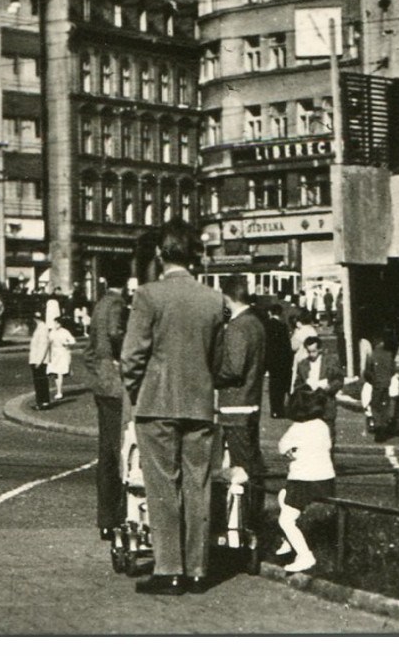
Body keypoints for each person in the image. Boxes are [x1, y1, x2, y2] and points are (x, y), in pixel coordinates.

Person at [120, 220, 226, 596]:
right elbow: (219, 360)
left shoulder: (148, 296)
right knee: (198, 484)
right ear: (194, 255)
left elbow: (132, 357)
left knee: (162, 487)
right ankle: (198, 569)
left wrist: (137, 393)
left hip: (157, 404)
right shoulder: (215, 299)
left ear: (160, 254)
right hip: (199, 405)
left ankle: (170, 570)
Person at [213, 274, 267, 534]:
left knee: (241, 469)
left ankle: (245, 525)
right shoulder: (255, 323)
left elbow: (233, 368)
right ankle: (251, 520)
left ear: (228, 297)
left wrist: (211, 375)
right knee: (252, 464)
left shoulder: (237, 327)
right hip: (251, 403)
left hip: (235, 406)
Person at [85, 268, 131, 540]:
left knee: (106, 454)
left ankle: (105, 518)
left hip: (102, 384)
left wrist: (97, 372)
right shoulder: (116, 304)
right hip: (116, 386)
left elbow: (90, 349)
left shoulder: (99, 304)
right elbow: (115, 334)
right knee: (120, 451)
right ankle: (119, 516)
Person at [276, 388, 336, 573]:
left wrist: (292, 452)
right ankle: (290, 539)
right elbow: (327, 446)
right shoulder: (322, 425)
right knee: (283, 496)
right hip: (325, 479)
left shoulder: (297, 428)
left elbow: (281, 447)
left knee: (285, 520)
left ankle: (305, 556)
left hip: (303, 480)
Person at [292, 334, 345, 444]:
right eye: (309, 351)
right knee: (311, 437)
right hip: (310, 404)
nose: (311, 354)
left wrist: (329, 387)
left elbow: (339, 380)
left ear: (320, 349)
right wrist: (305, 388)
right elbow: (297, 384)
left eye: (314, 351)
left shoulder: (330, 361)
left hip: (326, 402)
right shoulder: (303, 364)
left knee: (328, 436)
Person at [360, 333, 397, 440]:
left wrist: (372, 380)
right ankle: (384, 425)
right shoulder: (389, 354)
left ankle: (378, 426)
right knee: (385, 405)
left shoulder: (372, 355)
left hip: (376, 384)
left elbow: (367, 371)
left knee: (376, 406)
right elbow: (392, 369)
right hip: (386, 384)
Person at [265, 304, 293, 419]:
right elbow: (287, 345)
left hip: (271, 359)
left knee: (273, 386)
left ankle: (274, 409)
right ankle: (280, 409)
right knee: (281, 386)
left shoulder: (266, 325)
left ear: (270, 312)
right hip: (282, 360)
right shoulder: (283, 326)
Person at [27, 311, 53, 408]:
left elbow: (43, 346)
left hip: (39, 361)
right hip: (36, 359)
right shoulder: (40, 328)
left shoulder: (42, 329)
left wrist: (39, 361)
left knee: (41, 382)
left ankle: (43, 402)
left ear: (35, 319)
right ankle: (41, 402)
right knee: (39, 382)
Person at [46, 315, 76, 400]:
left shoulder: (65, 332)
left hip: (63, 353)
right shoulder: (52, 332)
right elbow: (49, 341)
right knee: (56, 373)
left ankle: (59, 392)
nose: (54, 325)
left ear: (60, 324)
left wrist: (67, 343)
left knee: (59, 372)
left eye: (56, 323)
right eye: (54, 323)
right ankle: (59, 390)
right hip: (54, 354)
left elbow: (73, 341)